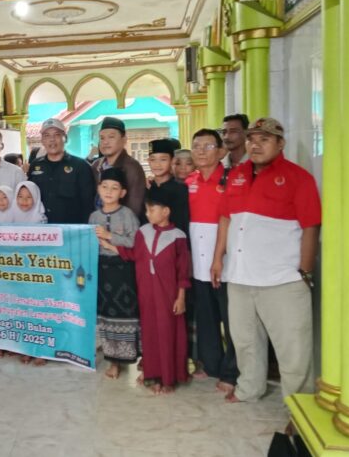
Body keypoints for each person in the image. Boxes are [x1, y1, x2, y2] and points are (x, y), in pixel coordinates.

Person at [211, 118, 321, 403]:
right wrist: (218, 259)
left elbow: (311, 226)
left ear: (280, 143)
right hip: (239, 276)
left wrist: (305, 271)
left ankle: (299, 406)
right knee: (245, 340)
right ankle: (250, 388)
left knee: (293, 348)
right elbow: (225, 218)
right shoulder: (237, 174)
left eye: (264, 139)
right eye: (251, 139)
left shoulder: (298, 178)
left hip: (282, 279)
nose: (255, 145)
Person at [102, 188, 190, 394]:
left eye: (152, 210)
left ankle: (168, 378)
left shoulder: (178, 237)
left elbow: (183, 272)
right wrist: (109, 245)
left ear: (166, 211)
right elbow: (134, 254)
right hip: (146, 294)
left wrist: (181, 297)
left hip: (168, 296)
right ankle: (152, 374)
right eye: (147, 210)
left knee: (167, 334)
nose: (147, 214)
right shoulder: (143, 232)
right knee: (149, 334)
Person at [186, 129, 238, 393]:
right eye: (196, 146)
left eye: (207, 146)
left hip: (226, 264)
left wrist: (219, 258)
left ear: (221, 152)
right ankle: (212, 364)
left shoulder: (232, 180)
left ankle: (232, 372)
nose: (200, 151)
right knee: (206, 319)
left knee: (232, 321)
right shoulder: (189, 181)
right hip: (198, 264)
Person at [89, 168, 140, 379]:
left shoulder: (128, 215)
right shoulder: (94, 216)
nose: (109, 191)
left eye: (114, 188)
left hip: (123, 272)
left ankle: (126, 358)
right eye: (105, 187)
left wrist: (110, 236)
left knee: (124, 315)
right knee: (106, 316)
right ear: (98, 189)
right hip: (101, 270)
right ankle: (113, 361)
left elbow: (136, 243)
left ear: (123, 192)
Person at [29, 118, 95, 224]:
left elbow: (88, 203)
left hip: (71, 229)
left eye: (57, 135)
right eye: (47, 135)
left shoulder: (80, 166)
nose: (52, 139)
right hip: (42, 229)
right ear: (42, 140)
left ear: (65, 138)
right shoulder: (35, 165)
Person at [92, 117, 147, 220]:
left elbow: (134, 206)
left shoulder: (132, 167)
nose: (105, 142)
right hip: (98, 222)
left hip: (122, 225)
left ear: (124, 140)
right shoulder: (96, 165)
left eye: (111, 137)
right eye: (102, 138)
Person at [148, 139, 190, 239]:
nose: (157, 164)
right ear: (148, 161)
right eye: (153, 160)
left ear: (172, 161)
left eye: (163, 159)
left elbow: (182, 225)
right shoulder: (147, 188)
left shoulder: (180, 190)